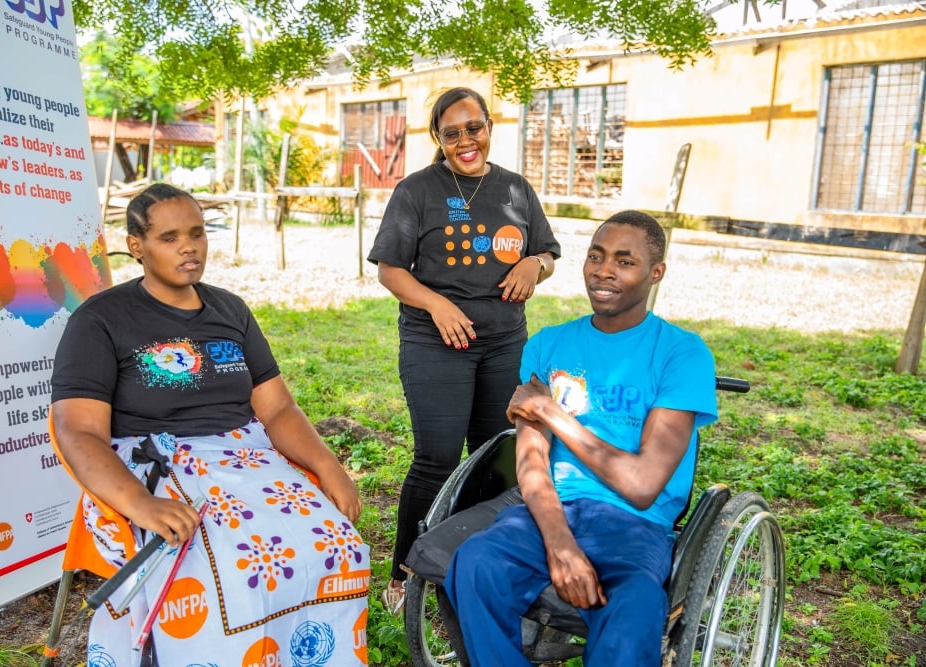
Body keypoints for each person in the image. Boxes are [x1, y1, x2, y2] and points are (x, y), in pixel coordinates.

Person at [50, 183, 369, 666]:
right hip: (158, 466)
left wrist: (329, 467)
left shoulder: (230, 310)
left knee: (337, 546)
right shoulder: (102, 320)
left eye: (197, 234)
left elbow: (278, 409)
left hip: (249, 459)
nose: (189, 247)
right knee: (227, 570)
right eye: (169, 237)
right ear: (137, 245)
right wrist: (141, 504)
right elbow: (78, 431)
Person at [444, 210, 718, 665]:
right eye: (596, 255)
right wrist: (561, 544)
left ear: (656, 273)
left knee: (634, 612)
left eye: (624, 261)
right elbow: (531, 460)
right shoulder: (548, 345)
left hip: (635, 524)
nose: (604, 270)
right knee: (474, 565)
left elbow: (642, 484)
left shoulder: (682, 354)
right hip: (550, 508)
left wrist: (553, 412)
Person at [367, 86, 561, 612]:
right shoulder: (417, 191)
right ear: (439, 138)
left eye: (473, 128)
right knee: (437, 457)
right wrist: (438, 305)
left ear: (489, 127)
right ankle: (407, 571)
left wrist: (533, 264)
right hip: (437, 341)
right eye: (452, 133)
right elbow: (390, 269)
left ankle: (471, 562)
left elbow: (546, 251)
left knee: (494, 456)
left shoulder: (516, 190)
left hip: (503, 343)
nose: (465, 141)